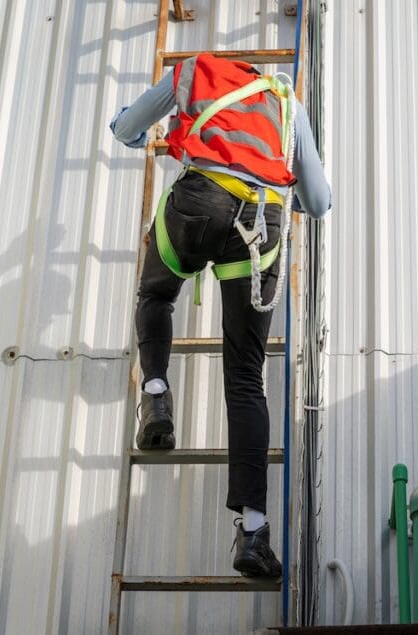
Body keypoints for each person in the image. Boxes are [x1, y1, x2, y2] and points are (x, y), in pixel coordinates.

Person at [110, 54, 331, 578]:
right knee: (245, 380)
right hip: (260, 224)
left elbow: (127, 127)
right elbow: (320, 201)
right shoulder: (285, 102)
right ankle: (253, 533)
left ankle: (157, 398)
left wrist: (137, 138)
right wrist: (282, 199)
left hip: (197, 203)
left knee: (158, 295)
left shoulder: (195, 72)